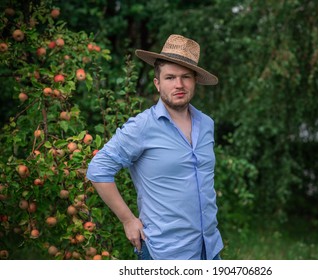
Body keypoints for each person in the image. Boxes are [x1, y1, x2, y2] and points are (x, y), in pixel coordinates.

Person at [86, 34, 223, 260]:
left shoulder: (206, 124)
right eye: (170, 77)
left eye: (185, 77)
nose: (179, 84)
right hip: (165, 252)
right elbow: (98, 169)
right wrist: (128, 220)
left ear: (195, 81)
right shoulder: (142, 127)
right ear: (157, 83)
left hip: (209, 248)